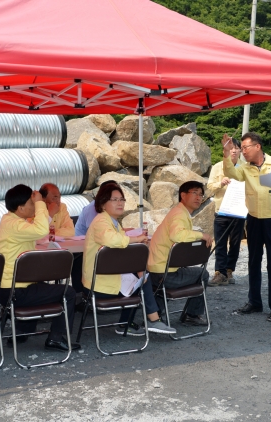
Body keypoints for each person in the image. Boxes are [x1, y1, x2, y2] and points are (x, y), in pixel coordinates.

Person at [222, 132, 271, 322]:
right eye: (241, 149)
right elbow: (230, 173)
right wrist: (226, 154)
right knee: (253, 261)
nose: (243, 152)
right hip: (254, 218)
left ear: (258, 147)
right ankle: (254, 302)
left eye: (246, 148)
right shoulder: (244, 168)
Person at [82, 183, 176, 335]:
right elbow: (112, 240)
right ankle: (153, 320)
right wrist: (137, 239)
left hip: (106, 279)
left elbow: (119, 252)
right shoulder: (101, 222)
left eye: (122, 199)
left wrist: (138, 269)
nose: (119, 203)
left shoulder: (111, 222)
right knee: (142, 280)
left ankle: (127, 324)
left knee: (141, 276)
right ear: (103, 204)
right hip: (98, 285)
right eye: (114, 199)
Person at [0, 184, 80, 351]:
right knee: (68, 293)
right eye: (31, 204)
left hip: (10, 288)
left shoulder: (12, 221)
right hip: (15, 291)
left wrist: (38, 206)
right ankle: (56, 338)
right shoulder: (15, 225)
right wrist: (41, 203)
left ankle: (22, 331)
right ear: (20, 208)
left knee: (39, 288)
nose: (35, 207)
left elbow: (39, 230)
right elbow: (42, 230)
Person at [147, 181, 213, 326]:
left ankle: (156, 312)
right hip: (165, 274)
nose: (199, 197)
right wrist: (201, 235)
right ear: (183, 195)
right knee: (203, 274)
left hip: (155, 271)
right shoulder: (179, 214)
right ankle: (192, 315)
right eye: (194, 193)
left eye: (201, 194)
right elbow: (177, 235)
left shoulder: (179, 212)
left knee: (183, 272)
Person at [207, 138, 245, 286]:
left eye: (237, 148)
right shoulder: (217, 167)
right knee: (220, 242)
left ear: (241, 150)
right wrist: (220, 183)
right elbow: (210, 187)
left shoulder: (246, 167)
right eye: (231, 148)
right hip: (221, 210)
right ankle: (219, 272)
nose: (234, 151)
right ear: (226, 150)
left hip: (238, 211)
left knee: (235, 243)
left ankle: (229, 271)